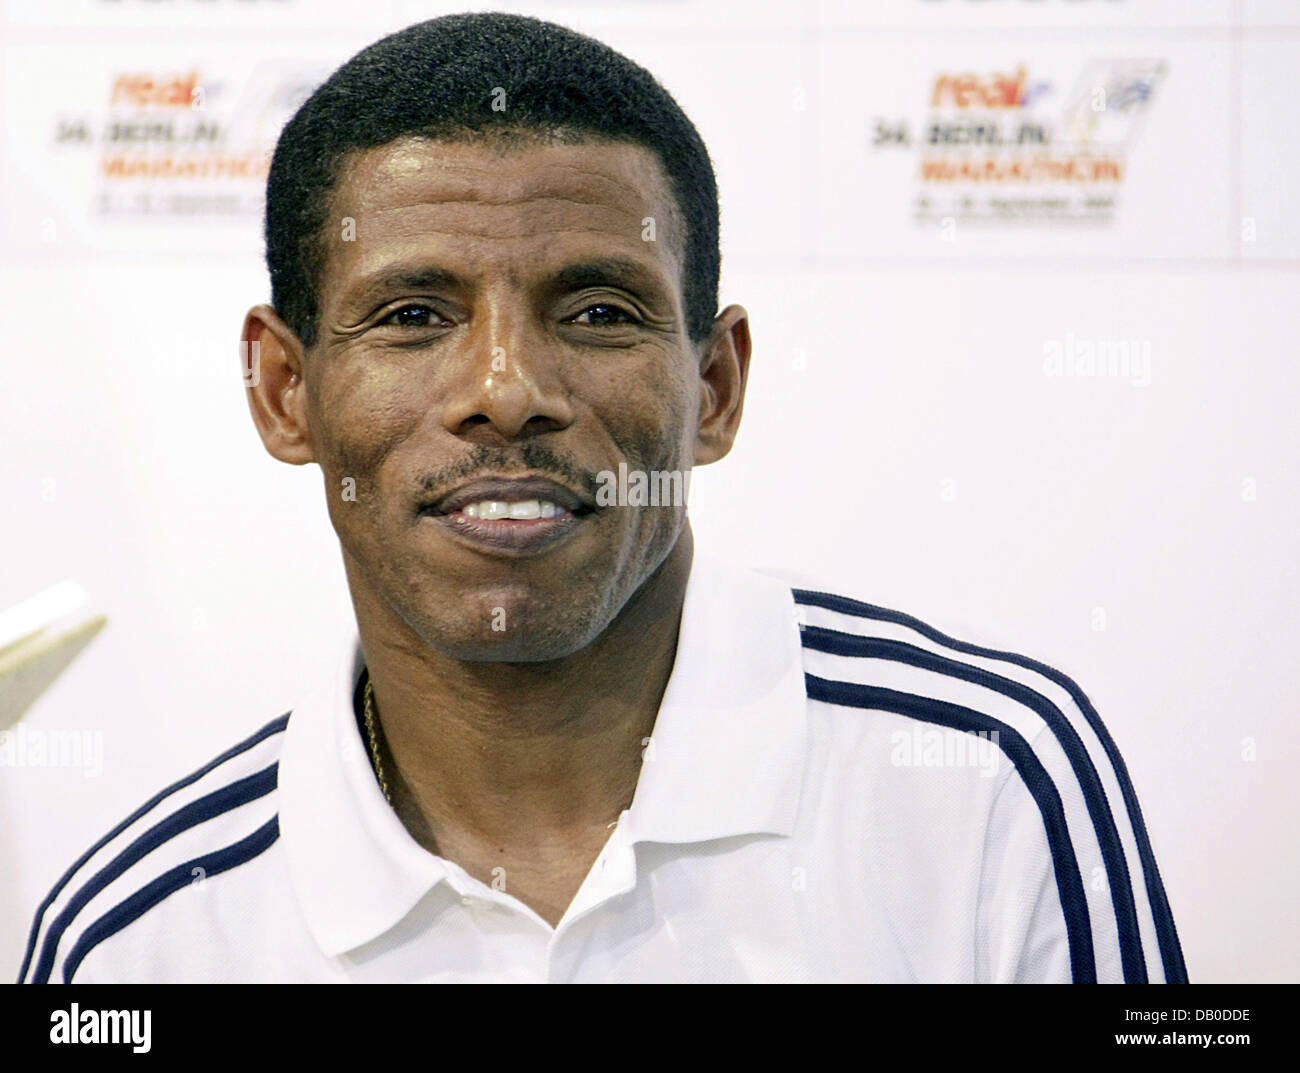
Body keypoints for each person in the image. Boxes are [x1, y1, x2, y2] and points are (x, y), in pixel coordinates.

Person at [19, 12, 1186, 984]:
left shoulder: (988, 783)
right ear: (285, 391)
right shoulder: (134, 944)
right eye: (414, 315)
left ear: (716, 386)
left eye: (598, 312)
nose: (506, 391)